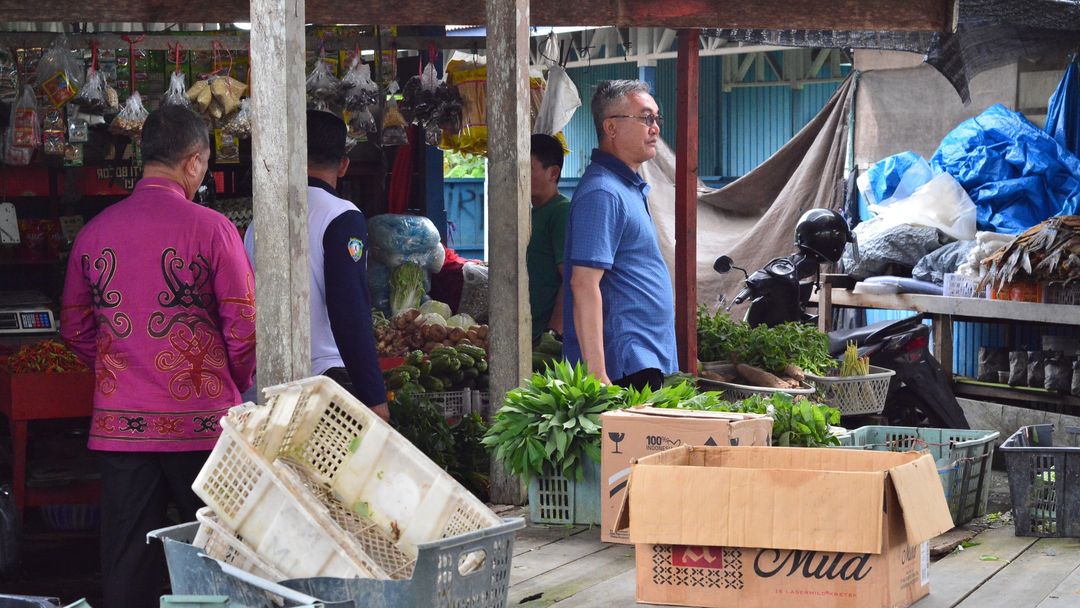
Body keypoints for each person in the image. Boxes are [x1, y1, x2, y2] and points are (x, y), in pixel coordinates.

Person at [60, 105, 257, 608]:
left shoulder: (94, 232)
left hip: (120, 427)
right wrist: (228, 382)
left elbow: (75, 328)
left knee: (128, 561)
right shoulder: (213, 229)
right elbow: (243, 327)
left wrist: (116, 368)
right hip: (202, 425)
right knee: (219, 557)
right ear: (193, 163)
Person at [244, 110, 388, 421]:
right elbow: (349, 308)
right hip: (326, 381)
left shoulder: (260, 221)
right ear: (344, 164)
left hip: (269, 381)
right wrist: (374, 395)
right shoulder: (341, 215)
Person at [562, 79, 678, 390]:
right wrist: (598, 375)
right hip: (621, 370)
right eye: (645, 118)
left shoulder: (625, 187)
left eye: (656, 118)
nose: (655, 128)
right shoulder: (603, 192)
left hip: (641, 361)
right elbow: (583, 283)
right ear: (611, 128)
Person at [528, 133, 570, 344]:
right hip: (526, 334)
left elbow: (570, 279)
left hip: (544, 342)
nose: (521, 175)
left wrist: (553, 335)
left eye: (528, 168)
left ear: (553, 173)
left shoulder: (561, 212)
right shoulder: (530, 214)